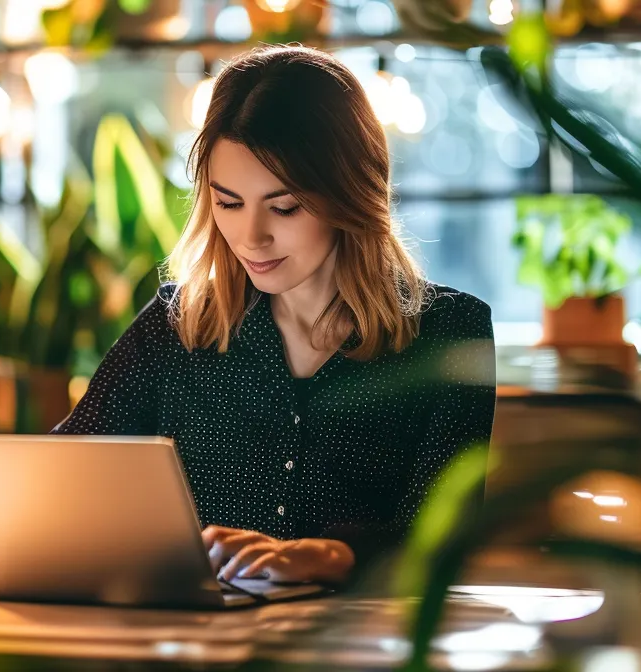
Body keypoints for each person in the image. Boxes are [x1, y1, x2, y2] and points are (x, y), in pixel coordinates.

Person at [53, 45, 495, 585]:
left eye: (284, 207)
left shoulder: (451, 333)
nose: (250, 237)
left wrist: (330, 556)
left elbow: (445, 533)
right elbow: (59, 480)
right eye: (229, 203)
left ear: (351, 193)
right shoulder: (177, 325)